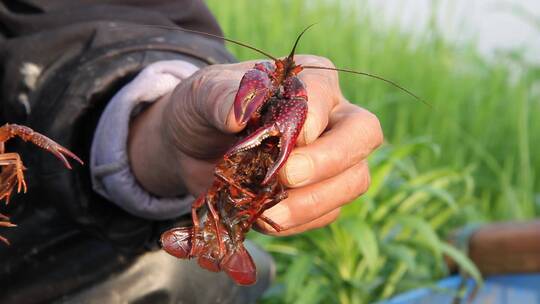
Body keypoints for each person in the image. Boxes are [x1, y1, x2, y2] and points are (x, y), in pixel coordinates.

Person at [0, 1, 382, 303]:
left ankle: (220, 236)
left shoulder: (278, 94)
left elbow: (93, 14)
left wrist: (159, 128)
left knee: (177, 278)